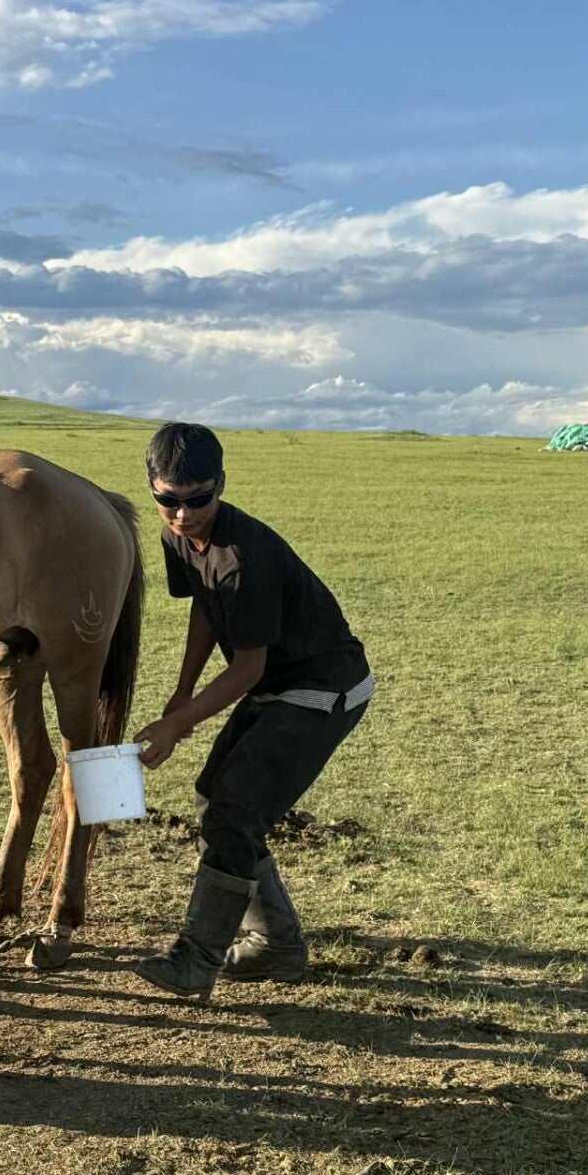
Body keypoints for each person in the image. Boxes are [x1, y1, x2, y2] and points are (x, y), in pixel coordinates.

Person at [131, 422, 372, 999]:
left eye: (198, 500)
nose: (183, 514)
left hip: (322, 689)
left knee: (235, 808)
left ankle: (196, 960)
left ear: (221, 484)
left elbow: (247, 669)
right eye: (168, 499)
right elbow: (206, 607)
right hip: (276, 684)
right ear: (153, 487)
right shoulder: (178, 537)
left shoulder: (244, 556)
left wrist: (178, 724)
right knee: (215, 798)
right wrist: (182, 694)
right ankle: (278, 945)